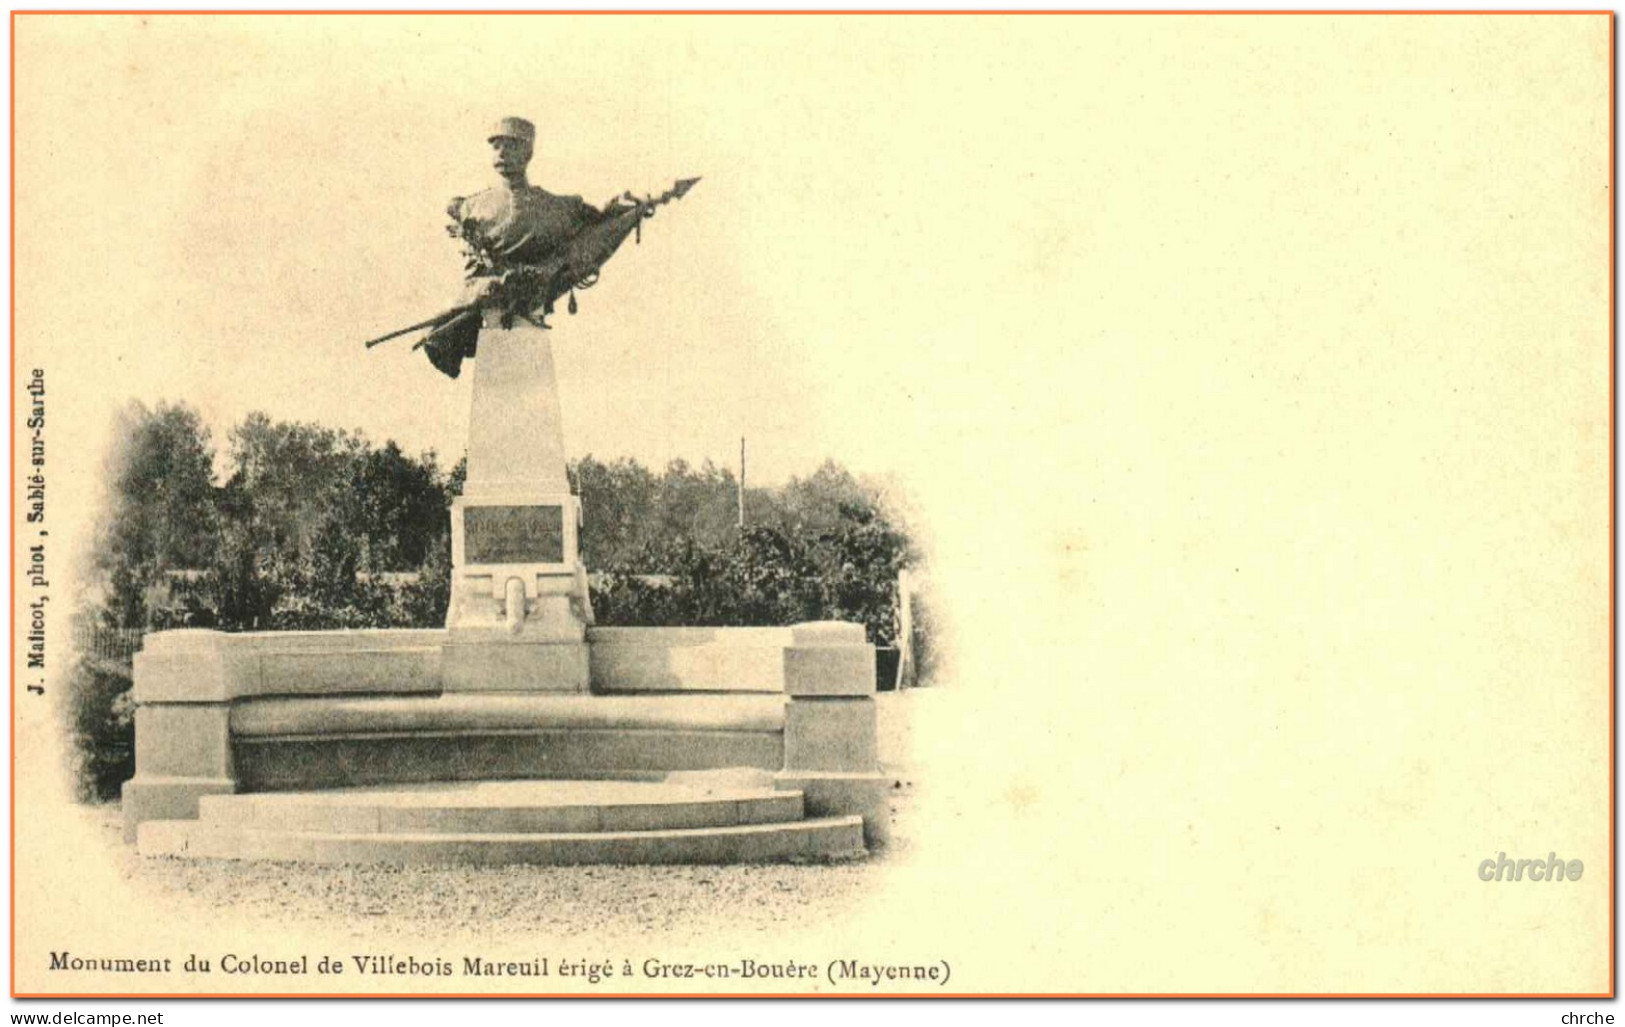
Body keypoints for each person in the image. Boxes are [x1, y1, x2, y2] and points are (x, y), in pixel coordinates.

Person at [422, 117, 607, 378]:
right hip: (493, 313)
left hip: (531, 314)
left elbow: (600, 227)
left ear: (528, 151)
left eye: (511, 145)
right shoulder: (471, 209)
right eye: (496, 145)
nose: (502, 152)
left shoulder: (556, 208)